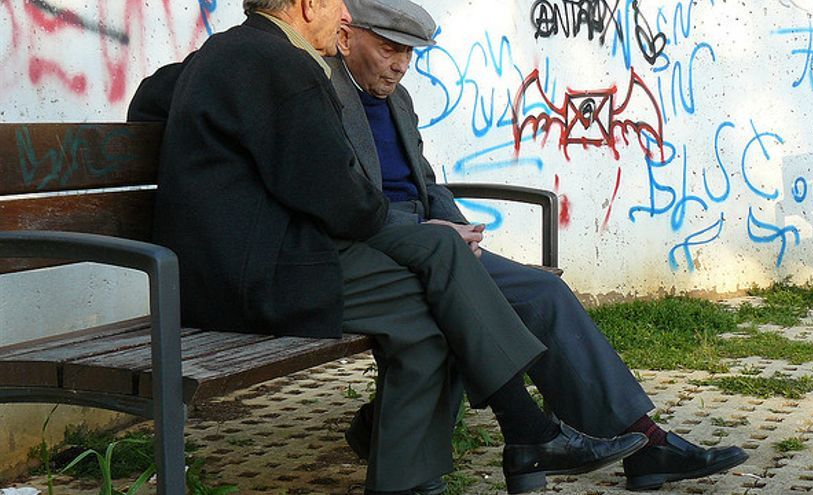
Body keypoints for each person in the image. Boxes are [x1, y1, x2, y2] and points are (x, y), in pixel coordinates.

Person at [129, 1, 648, 494]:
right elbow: (338, 196)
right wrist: (424, 231)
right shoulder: (281, 65)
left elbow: (149, 102)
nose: (345, 15)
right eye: (338, 6)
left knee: (425, 322)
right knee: (440, 261)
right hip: (251, 277)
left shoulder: (235, 51)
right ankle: (527, 428)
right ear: (308, 6)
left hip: (243, 264)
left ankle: (415, 476)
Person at [328, 0, 750, 491]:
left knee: (543, 293)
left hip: (433, 243)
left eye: (410, 52)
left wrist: (454, 225)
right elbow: (345, 201)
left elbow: (425, 182)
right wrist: (438, 238)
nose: (401, 63)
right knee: (448, 315)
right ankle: (500, 440)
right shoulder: (322, 94)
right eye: (388, 49)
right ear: (346, 38)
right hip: (376, 247)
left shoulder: (398, 99)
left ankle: (646, 442)